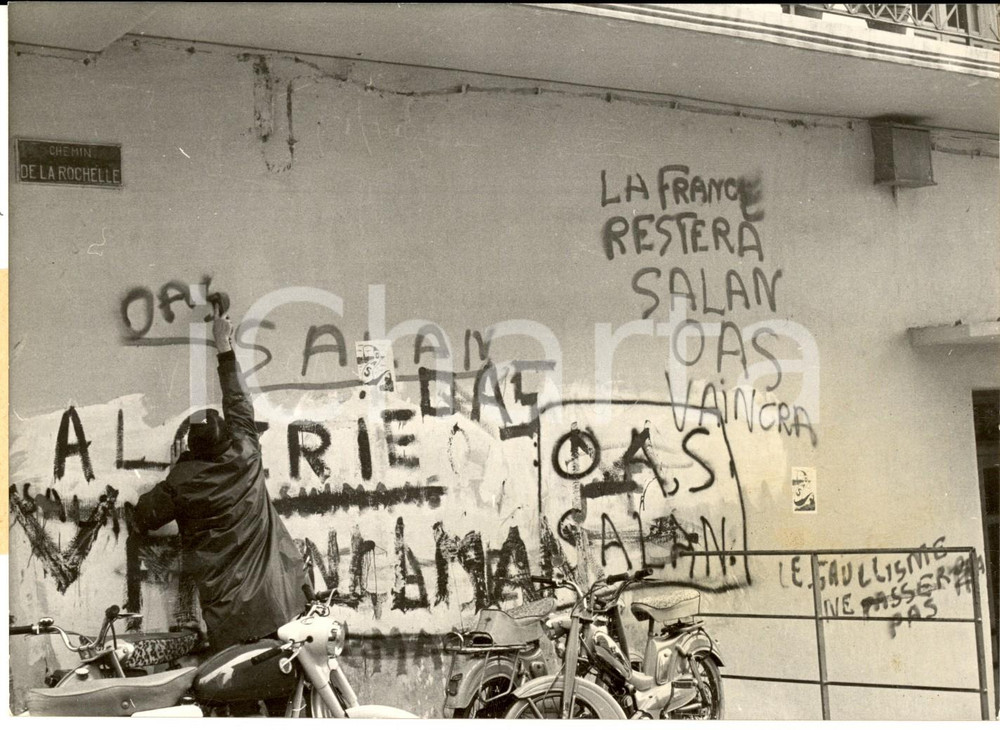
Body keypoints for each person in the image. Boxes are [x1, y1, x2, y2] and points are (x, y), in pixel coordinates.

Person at [133, 304, 305, 652]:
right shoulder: (245, 450)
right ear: (227, 434)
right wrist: (223, 345)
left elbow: (144, 517)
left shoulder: (181, 484)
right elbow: (238, 399)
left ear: (190, 446)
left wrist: (178, 469)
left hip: (230, 619)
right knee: (286, 694)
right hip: (284, 602)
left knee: (240, 693)